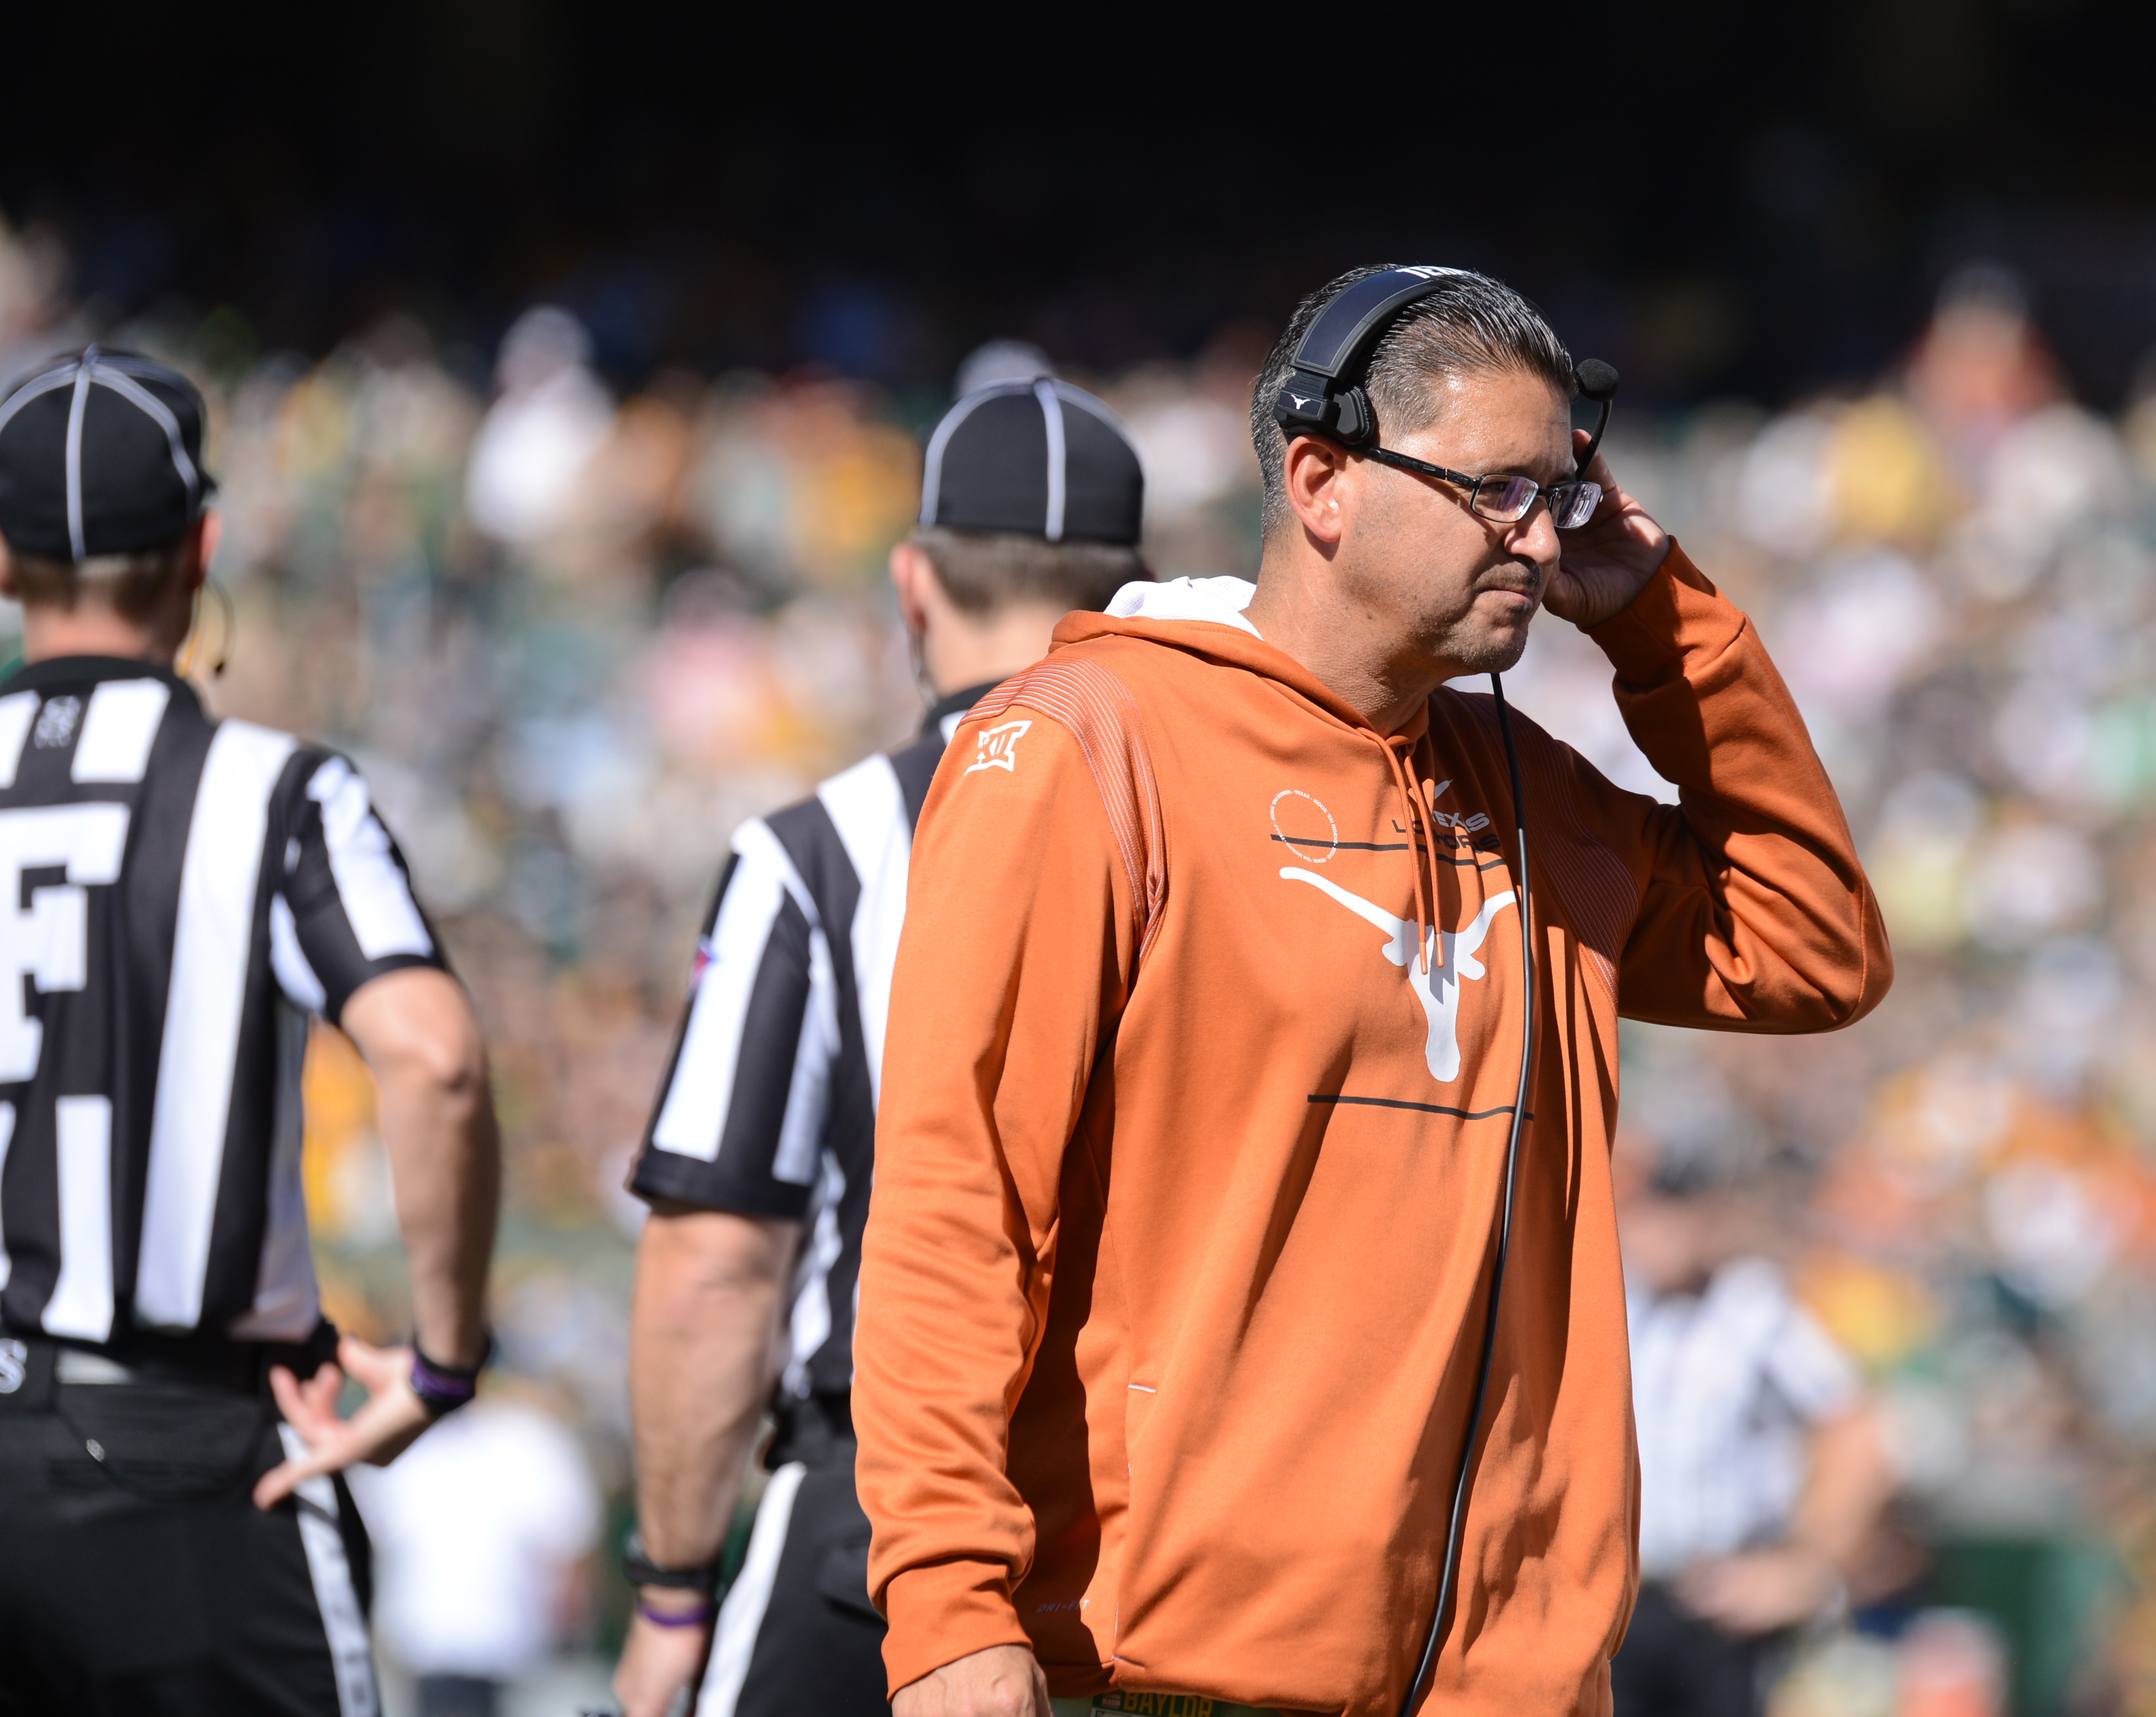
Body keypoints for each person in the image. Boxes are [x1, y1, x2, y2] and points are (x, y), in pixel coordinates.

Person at [852, 265, 1892, 1717]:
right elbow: (956, 1206)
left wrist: (1667, 622)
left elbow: (1815, 944)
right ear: (1323, 481)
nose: (1541, 535)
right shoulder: (1089, 743)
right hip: (1170, 1680)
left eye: (1560, 494)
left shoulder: (1532, 793)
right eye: (1497, 490)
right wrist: (951, 1613)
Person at [612, 372, 1151, 1717]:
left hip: (883, 1508)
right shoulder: (1223, 822)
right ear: (1134, 588)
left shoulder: (820, 852)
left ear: (913, 587)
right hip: (1161, 1517)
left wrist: (675, 1584)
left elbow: (716, 1257)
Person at [0, 347, 502, 1714]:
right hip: (182, 1450)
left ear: (3, 562)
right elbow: (434, 1055)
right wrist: (447, 1356)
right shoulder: (271, 792)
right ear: (200, 547)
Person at [1615, 1178, 1896, 1717]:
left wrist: (1806, 1567)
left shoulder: (1752, 1310)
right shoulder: (1619, 1303)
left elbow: (1855, 1434)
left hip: (1716, 1596)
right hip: (1622, 1594)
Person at [356, 1388, 602, 1717]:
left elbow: (569, 1546)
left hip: (509, 1655)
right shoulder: (528, 1439)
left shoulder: (527, 1438)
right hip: (429, 1650)